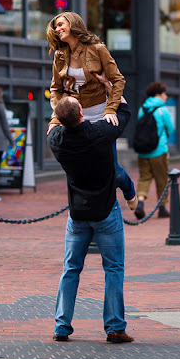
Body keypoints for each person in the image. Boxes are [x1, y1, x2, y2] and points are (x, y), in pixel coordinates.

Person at [48, 93, 134, 344]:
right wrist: (112, 91)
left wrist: (59, 108)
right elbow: (124, 114)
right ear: (82, 113)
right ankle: (115, 328)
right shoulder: (101, 133)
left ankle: (61, 326)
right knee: (114, 269)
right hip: (106, 211)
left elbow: (54, 124)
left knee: (71, 269)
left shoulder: (56, 140)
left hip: (77, 213)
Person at [46, 11, 137, 211]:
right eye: (55, 27)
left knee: (112, 169)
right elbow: (55, 89)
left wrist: (111, 109)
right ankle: (89, 210)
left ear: (73, 24)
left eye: (61, 24)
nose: (57, 29)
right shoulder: (60, 55)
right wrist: (56, 117)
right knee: (80, 168)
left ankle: (129, 190)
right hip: (75, 117)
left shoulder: (97, 49)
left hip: (101, 114)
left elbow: (118, 80)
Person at [134, 81, 174, 220]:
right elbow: (170, 129)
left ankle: (140, 203)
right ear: (158, 94)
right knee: (161, 179)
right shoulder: (163, 110)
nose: (166, 96)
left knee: (144, 177)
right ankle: (162, 208)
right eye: (164, 94)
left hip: (143, 151)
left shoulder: (142, 109)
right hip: (159, 151)